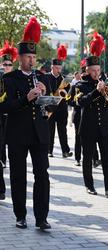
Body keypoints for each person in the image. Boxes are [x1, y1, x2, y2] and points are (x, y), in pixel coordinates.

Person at [2, 17, 51, 229]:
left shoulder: (42, 78)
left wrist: (47, 97)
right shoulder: (9, 79)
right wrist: (26, 98)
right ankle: (20, 215)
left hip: (39, 133)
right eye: (28, 57)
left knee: (42, 175)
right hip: (17, 134)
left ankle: (41, 218)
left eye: (33, 56)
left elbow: (51, 108)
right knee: (18, 176)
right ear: (19, 58)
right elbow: (3, 107)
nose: (32, 60)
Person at [76, 32, 108, 198]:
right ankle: (90, 185)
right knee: (87, 159)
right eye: (93, 70)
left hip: (105, 127)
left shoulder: (105, 82)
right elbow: (81, 102)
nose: (96, 73)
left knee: (107, 159)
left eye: (98, 70)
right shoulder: (81, 84)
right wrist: (96, 91)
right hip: (88, 127)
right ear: (87, 70)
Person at [46, 45, 72, 158]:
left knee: (63, 131)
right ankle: (49, 150)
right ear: (52, 67)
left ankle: (65, 151)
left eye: (60, 68)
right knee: (50, 130)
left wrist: (66, 93)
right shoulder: (46, 77)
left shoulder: (64, 79)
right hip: (50, 107)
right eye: (56, 67)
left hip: (61, 108)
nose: (59, 70)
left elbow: (68, 93)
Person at [0, 40, 18, 200]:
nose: (6, 66)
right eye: (4, 64)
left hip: (12, 120)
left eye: (9, 64)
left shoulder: (15, 79)